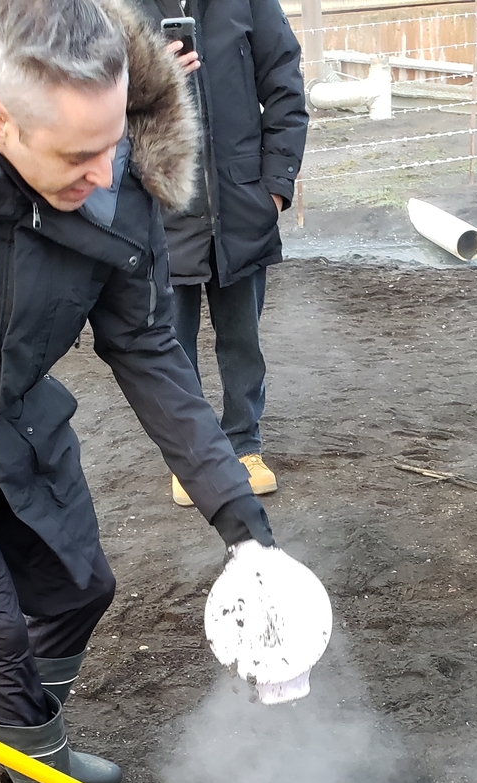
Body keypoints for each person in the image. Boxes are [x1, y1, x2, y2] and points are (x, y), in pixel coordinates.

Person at [0, 0, 276, 783]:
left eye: (112, 140)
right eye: (77, 156)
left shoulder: (122, 192)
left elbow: (151, 352)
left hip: (23, 423)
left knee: (83, 587)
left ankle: (32, 737)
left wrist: (242, 525)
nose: (105, 171)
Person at [134, 0, 307, 507]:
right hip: (163, 209)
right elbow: (92, 95)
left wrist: (274, 187)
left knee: (242, 340)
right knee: (171, 346)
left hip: (240, 207)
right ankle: (192, 457)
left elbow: (283, 81)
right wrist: (151, 78)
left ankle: (244, 445)